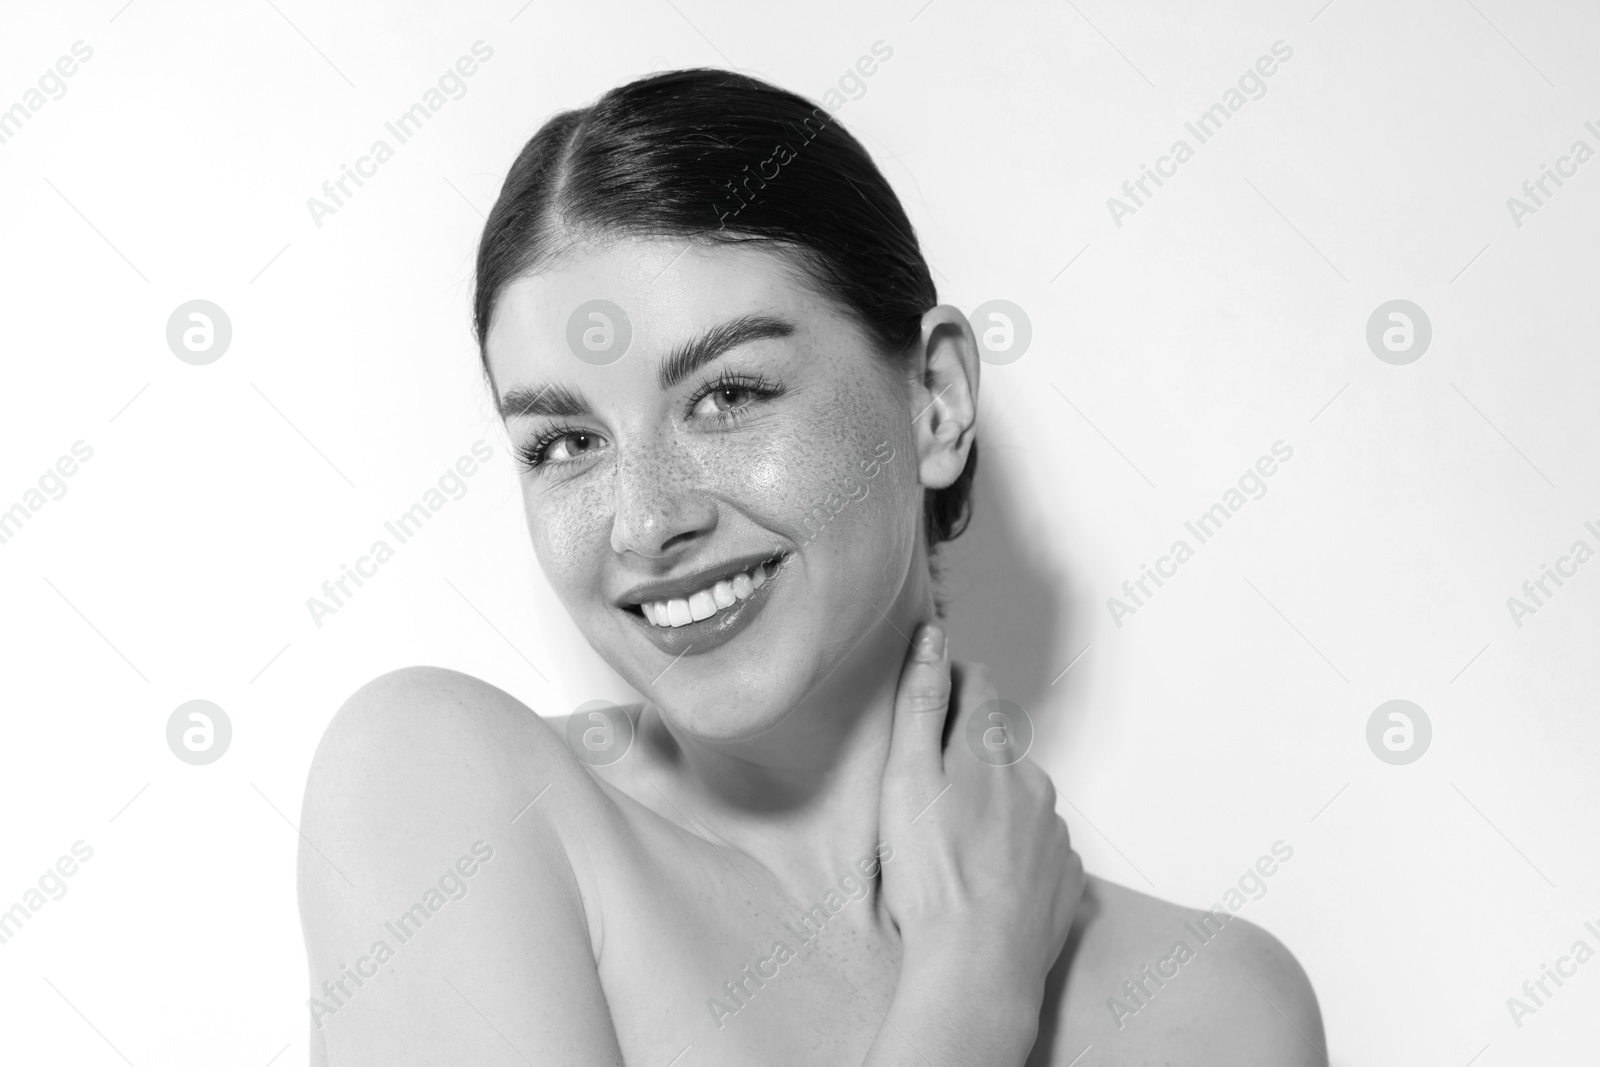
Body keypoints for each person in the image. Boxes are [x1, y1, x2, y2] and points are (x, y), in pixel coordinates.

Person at [297, 68, 1323, 1065]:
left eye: (729, 394)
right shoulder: (442, 796)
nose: (645, 521)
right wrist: (972, 986)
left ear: (936, 399)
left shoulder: (1212, 1008)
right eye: (563, 444)